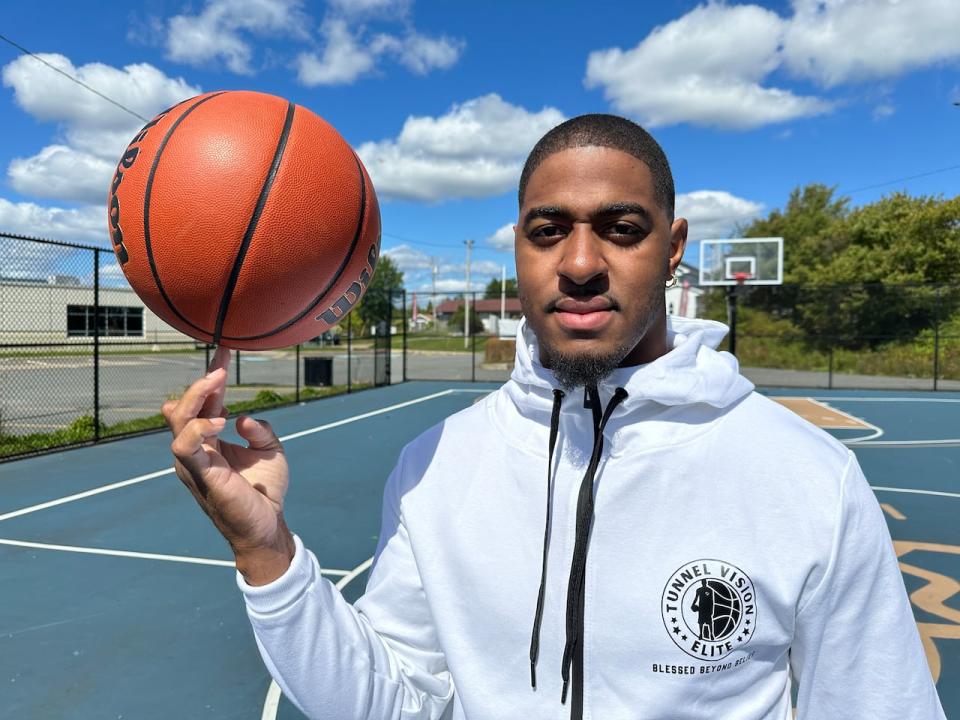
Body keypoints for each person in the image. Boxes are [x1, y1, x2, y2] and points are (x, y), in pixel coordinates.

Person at [162, 115, 945, 719]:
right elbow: (388, 702)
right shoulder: (437, 463)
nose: (578, 264)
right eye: (549, 231)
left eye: (620, 228)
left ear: (674, 248)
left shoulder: (808, 477)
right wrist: (265, 552)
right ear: (518, 249)